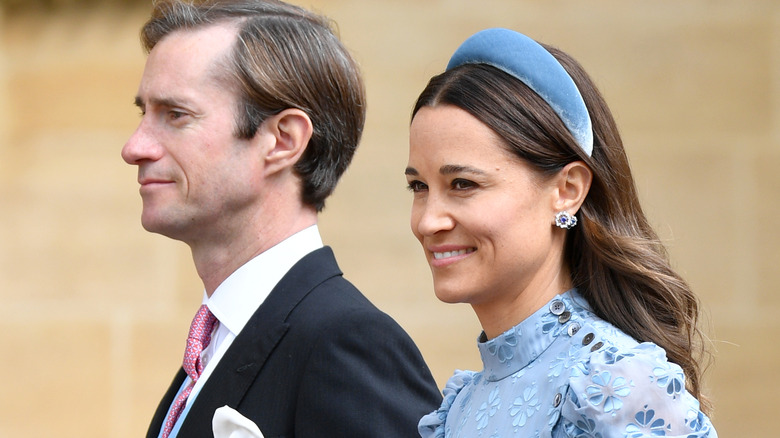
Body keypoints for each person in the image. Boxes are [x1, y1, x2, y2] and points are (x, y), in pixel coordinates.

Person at [121, 1, 441, 437]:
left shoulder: (346, 344)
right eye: (145, 114)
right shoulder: (216, 342)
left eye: (176, 115)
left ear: (283, 141)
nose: (135, 147)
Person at [405, 28, 717, 437]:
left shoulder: (616, 383)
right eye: (419, 187)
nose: (429, 221)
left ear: (567, 191)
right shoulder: (463, 402)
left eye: (463, 184)